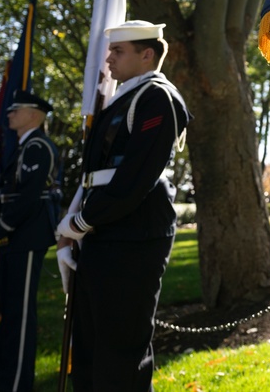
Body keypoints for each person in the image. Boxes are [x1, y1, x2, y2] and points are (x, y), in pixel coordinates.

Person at [55, 20, 191, 392]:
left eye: (118, 51)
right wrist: (72, 226)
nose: (108, 59)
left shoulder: (156, 98)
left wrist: (82, 222)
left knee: (119, 354)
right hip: (103, 231)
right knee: (88, 349)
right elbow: (93, 173)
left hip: (132, 235)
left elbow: (135, 178)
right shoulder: (124, 98)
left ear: (146, 55)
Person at [0, 90, 60, 391]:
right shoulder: (25, 146)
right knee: (10, 312)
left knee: (20, 315)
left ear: (33, 115)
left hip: (27, 236)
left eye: (16, 110)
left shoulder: (38, 146)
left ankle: (15, 385)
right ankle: (6, 381)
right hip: (18, 237)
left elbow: (28, 197)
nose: (9, 114)